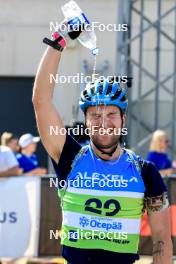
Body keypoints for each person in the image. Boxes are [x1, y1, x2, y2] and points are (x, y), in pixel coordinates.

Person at [32, 28, 172, 263]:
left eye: (111, 114)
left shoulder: (145, 172)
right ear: (85, 121)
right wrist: (59, 40)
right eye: (95, 115)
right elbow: (41, 100)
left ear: (123, 119)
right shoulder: (70, 157)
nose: (103, 123)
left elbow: (161, 239)